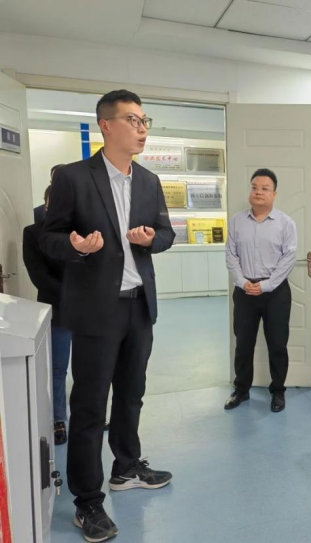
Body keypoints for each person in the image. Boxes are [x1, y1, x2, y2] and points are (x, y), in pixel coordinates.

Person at [41, 89, 175, 542]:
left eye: (145, 121)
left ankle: (126, 466)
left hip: (139, 304)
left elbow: (166, 233)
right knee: (90, 405)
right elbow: (49, 237)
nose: (142, 129)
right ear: (106, 125)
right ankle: (87, 501)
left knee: (132, 393)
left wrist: (150, 239)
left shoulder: (149, 181)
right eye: (134, 120)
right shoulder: (74, 177)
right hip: (97, 309)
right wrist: (75, 246)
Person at [224, 168, 297, 413]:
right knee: (243, 343)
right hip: (245, 291)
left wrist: (265, 285)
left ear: (274, 194)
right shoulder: (236, 221)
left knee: (277, 343)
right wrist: (242, 281)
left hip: (275, 292)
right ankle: (241, 389)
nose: (258, 192)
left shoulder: (286, 223)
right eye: (254, 187)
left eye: (265, 188)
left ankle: (278, 391)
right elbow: (231, 255)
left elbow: (289, 258)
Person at [23, 184, 72, 445]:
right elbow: (38, 276)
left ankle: (90, 417)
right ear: (46, 204)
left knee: (91, 367)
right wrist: (72, 294)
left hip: (89, 310)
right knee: (57, 368)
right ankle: (58, 420)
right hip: (58, 308)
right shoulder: (33, 233)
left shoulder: (82, 230)